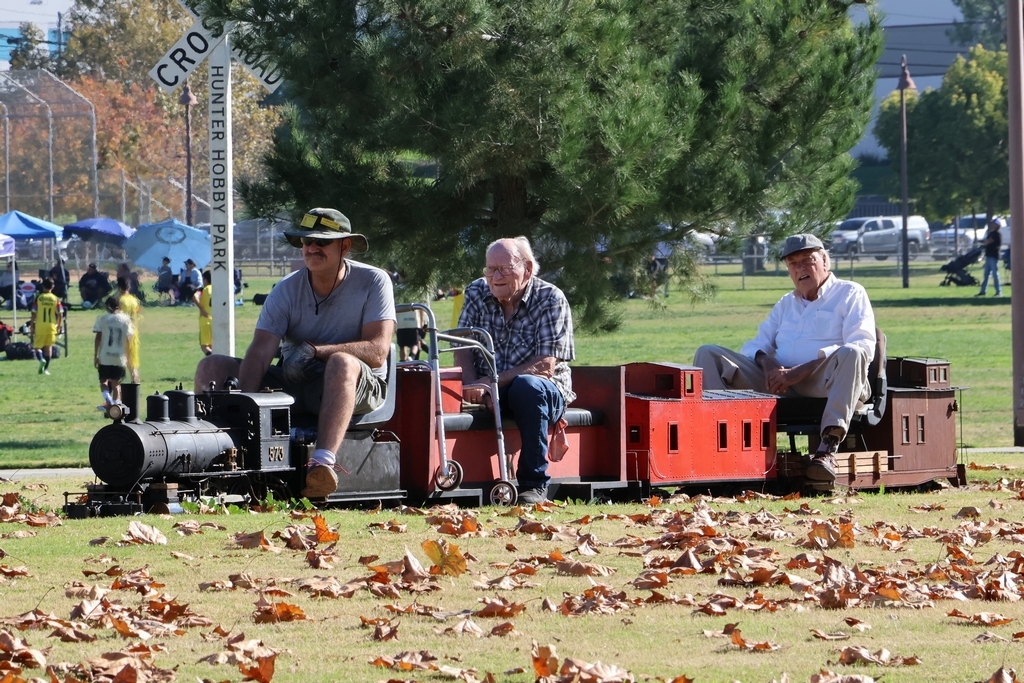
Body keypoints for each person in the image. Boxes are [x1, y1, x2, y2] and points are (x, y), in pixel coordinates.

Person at [194, 208, 396, 499]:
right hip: (296, 382)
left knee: (341, 363)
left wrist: (316, 352)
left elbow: (377, 351)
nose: (312, 248)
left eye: (321, 242)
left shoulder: (374, 281)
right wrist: (244, 404)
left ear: (345, 246)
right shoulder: (285, 289)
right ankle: (216, 452)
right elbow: (260, 351)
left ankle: (322, 466)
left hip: (357, 387)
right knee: (211, 366)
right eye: (306, 241)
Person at [693, 234, 875, 487]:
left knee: (853, 352)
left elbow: (864, 345)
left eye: (807, 260)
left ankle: (827, 449)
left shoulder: (850, 293)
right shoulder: (786, 304)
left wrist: (800, 371)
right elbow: (755, 345)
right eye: (793, 263)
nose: (800, 268)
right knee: (708, 354)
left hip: (827, 380)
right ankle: (720, 447)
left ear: (825, 260)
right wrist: (769, 364)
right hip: (781, 382)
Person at [455, 237, 576, 504]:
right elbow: (461, 345)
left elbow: (545, 365)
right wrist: (473, 385)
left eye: (504, 269)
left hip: (543, 390)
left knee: (527, 387)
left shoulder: (551, 298)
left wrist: (491, 383)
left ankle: (534, 484)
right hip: (489, 387)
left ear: (528, 269)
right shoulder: (476, 291)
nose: (495, 277)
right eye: (490, 269)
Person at [93, 296, 135, 410]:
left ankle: (109, 400)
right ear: (119, 306)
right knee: (116, 383)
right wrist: (129, 356)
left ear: (107, 306)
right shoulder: (126, 319)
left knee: (103, 381)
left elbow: (98, 338)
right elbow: (129, 339)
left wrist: (96, 355)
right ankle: (116, 405)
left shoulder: (102, 319)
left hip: (105, 355)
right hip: (120, 356)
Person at [30, 278, 63, 375]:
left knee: (37, 347)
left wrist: (32, 326)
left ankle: (41, 360)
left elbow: (33, 313)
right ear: (53, 287)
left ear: (43, 286)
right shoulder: (55, 299)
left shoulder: (39, 298)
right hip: (51, 326)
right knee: (49, 347)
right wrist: (59, 326)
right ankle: (46, 370)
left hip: (40, 325)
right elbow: (60, 314)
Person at [115, 276, 142, 382]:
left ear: (119, 287)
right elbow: (137, 313)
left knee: (121, 357)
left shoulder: (119, 300)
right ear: (129, 287)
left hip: (121, 332)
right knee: (132, 357)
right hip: (133, 331)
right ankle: (135, 378)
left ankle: (117, 382)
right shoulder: (134, 300)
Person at [976, 219, 1003, 297]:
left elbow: (988, 241)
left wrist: (986, 241)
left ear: (997, 225)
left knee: (995, 275)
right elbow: (986, 241)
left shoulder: (997, 234)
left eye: (993, 223)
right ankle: (983, 291)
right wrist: (984, 241)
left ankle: (998, 292)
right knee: (986, 275)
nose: (992, 225)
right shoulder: (991, 233)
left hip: (994, 257)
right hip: (988, 256)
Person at [194, 270, 213, 355]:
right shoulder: (218, 288)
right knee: (212, 346)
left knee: (204, 346)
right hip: (216, 321)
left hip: (205, 321)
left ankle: (213, 359)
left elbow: (195, 297)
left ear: (205, 279)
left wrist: (202, 310)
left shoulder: (203, 290)